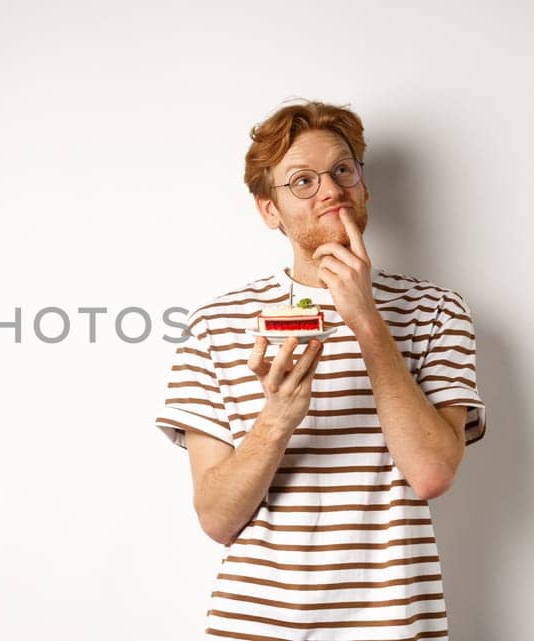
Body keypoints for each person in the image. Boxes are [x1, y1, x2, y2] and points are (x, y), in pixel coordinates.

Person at [154, 100, 487, 640]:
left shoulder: (437, 311)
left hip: (394, 626)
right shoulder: (215, 323)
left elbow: (431, 474)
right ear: (268, 210)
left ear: (364, 186)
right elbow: (216, 518)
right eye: (302, 181)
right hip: (257, 627)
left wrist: (366, 321)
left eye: (342, 170)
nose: (330, 190)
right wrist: (279, 415)